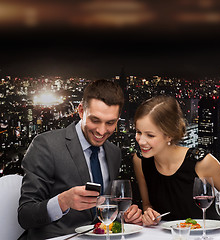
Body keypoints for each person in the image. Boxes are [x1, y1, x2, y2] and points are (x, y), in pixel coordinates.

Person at [18, 79, 142, 240]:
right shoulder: (46, 145)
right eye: (95, 120)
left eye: (110, 123)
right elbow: (25, 216)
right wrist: (63, 201)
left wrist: (125, 216)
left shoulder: (114, 152)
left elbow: (104, 210)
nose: (102, 131)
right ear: (81, 111)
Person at [133, 95, 220, 227]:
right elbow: (148, 204)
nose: (141, 141)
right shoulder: (139, 161)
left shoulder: (202, 162)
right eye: (138, 132)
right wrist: (149, 214)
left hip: (209, 235)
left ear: (169, 134)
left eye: (150, 135)